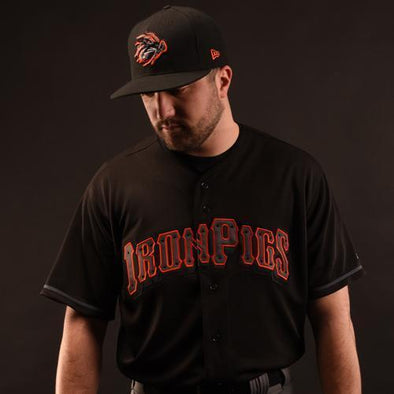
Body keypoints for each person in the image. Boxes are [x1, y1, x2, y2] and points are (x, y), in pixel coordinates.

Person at [40, 5, 366, 394]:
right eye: (149, 94)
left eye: (178, 89)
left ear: (223, 80)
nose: (163, 111)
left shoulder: (295, 176)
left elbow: (332, 316)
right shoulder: (114, 184)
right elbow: (82, 322)